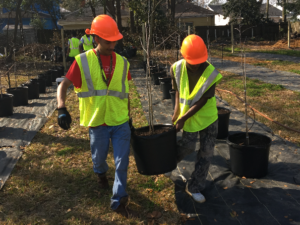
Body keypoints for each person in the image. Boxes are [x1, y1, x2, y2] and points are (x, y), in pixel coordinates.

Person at [56, 15, 137, 218]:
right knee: (99, 159)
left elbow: (124, 92)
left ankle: (118, 200)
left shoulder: (123, 62)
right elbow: (63, 85)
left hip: (119, 121)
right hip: (97, 122)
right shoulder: (82, 61)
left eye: (115, 40)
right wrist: (61, 107)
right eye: (108, 41)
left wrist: (129, 118)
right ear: (96, 39)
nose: (113, 44)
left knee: (122, 162)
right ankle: (100, 173)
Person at [165, 35, 223, 203]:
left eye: (199, 60)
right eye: (192, 60)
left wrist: (182, 117)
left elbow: (204, 100)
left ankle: (195, 186)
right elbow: (177, 91)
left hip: (208, 117)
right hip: (187, 116)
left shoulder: (211, 73)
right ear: (183, 55)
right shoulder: (176, 68)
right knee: (187, 146)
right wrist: (176, 112)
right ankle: (169, 165)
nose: (196, 64)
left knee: (206, 153)